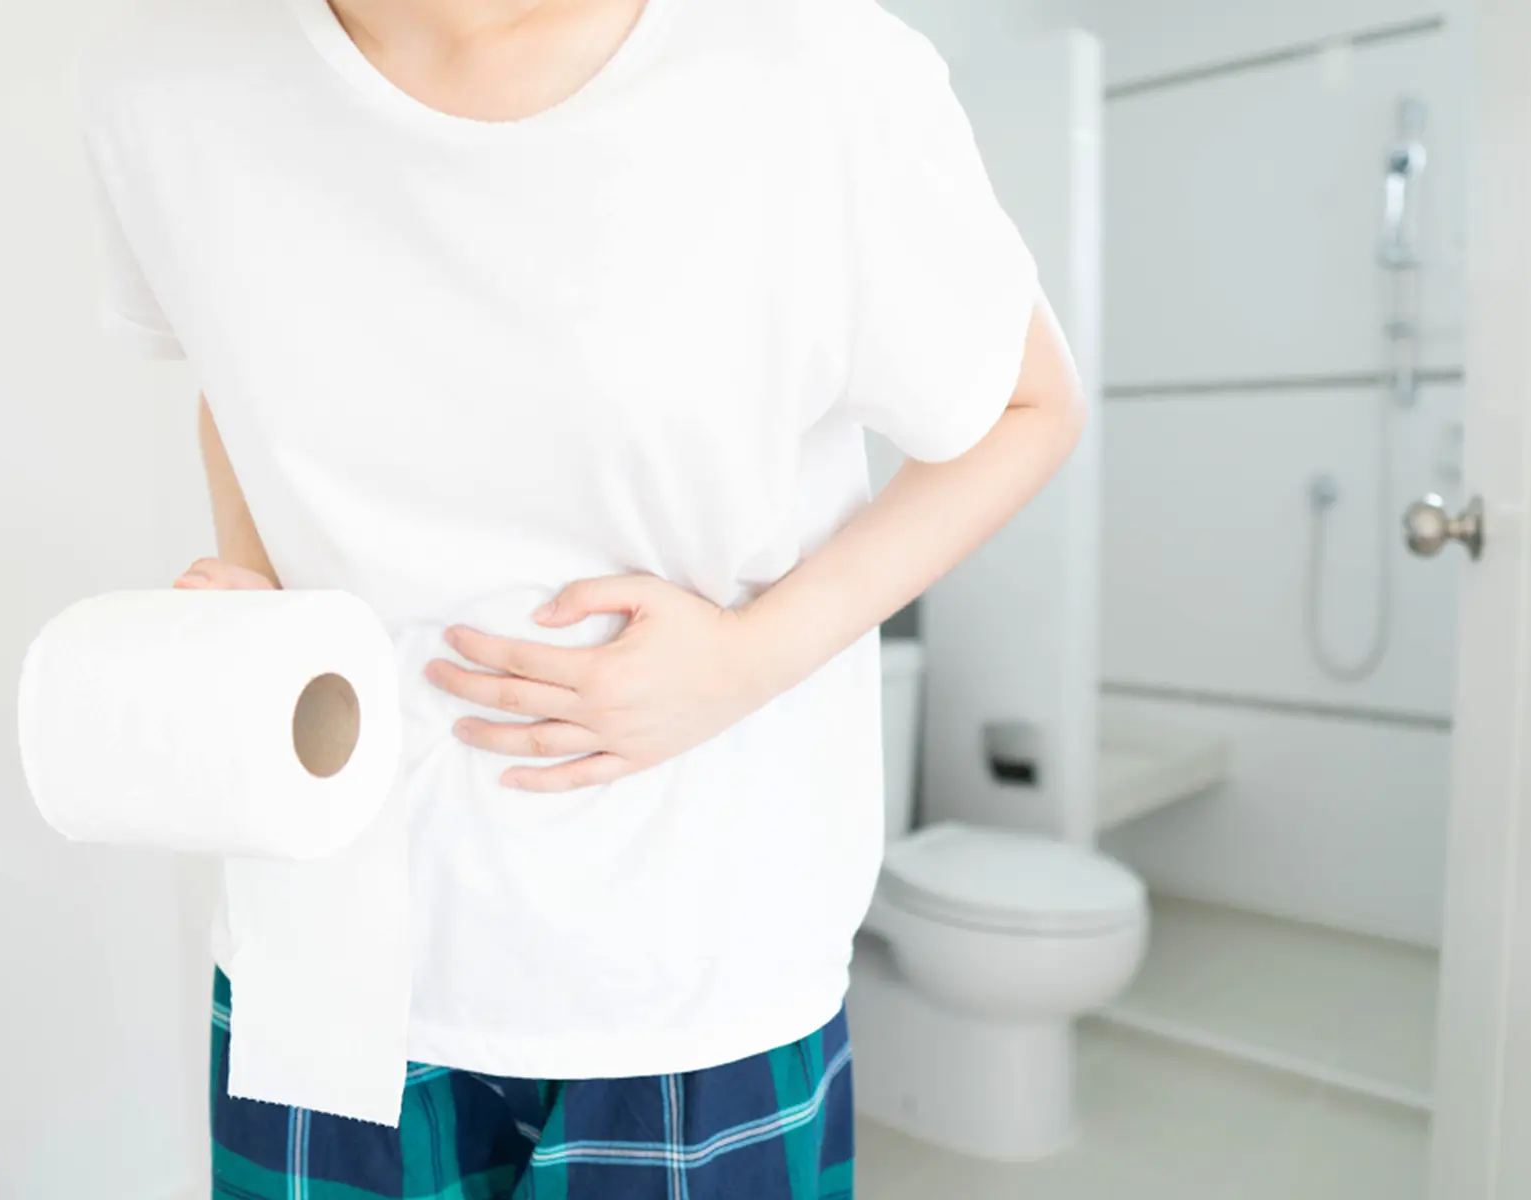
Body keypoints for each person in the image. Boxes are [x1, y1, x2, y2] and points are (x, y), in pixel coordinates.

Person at [81, 0, 1084, 1194]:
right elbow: (235, 374)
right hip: (323, 968)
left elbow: (1030, 407)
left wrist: (741, 663)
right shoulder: (163, 86)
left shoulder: (814, 67)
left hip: (688, 988)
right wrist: (259, 604)